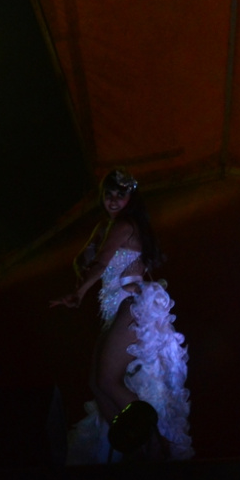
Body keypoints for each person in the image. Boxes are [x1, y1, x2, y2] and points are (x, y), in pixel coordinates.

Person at [51, 169, 192, 463]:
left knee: (108, 381)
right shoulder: (107, 227)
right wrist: (92, 245)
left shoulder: (125, 225)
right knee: (97, 384)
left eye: (120, 195)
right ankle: (135, 449)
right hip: (113, 309)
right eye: (108, 194)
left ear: (131, 199)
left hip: (131, 304)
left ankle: (156, 445)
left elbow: (101, 264)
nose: (113, 200)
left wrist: (79, 293)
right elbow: (85, 262)